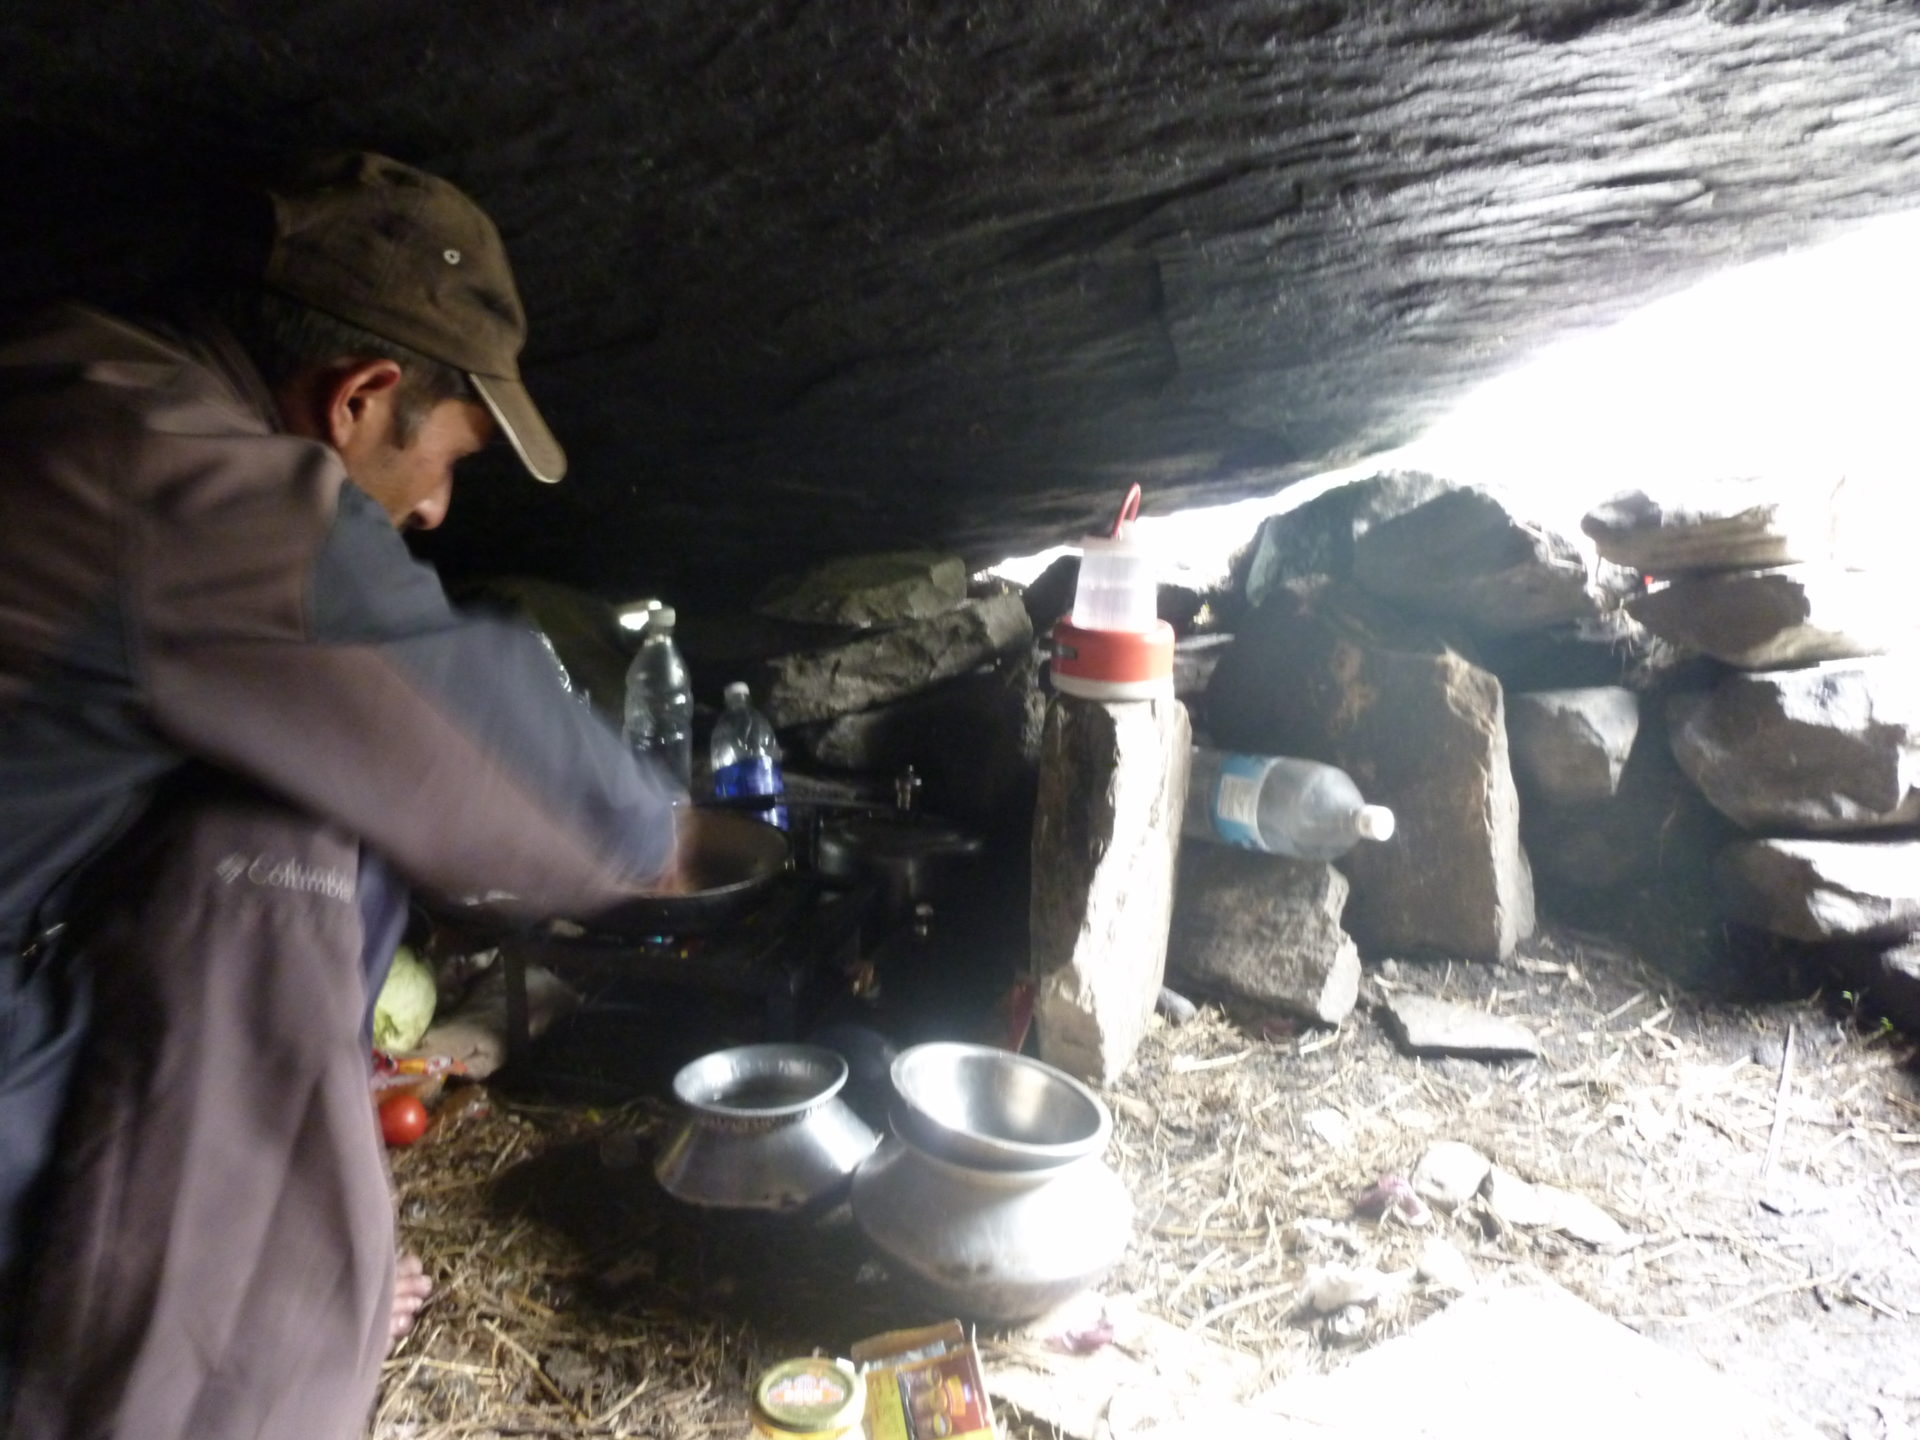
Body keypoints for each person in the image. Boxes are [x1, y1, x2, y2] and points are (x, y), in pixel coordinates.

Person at [0, 151, 682, 1438]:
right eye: (449, 458)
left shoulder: (77, 374)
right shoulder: (179, 478)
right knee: (288, 842)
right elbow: (461, 728)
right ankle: (224, 1357)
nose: (434, 508)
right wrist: (664, 837)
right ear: (360, 397)